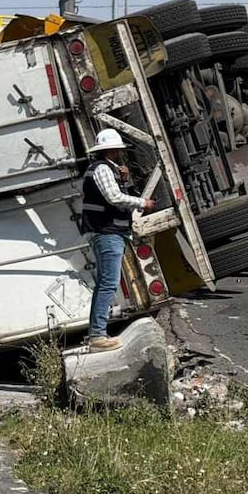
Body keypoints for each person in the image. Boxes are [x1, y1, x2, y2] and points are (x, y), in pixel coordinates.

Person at [81, 128, 155, 352]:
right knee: (108, 283)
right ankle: (97, 336)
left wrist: (122, 179)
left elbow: (113, 192)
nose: (121, 153)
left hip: (109, 232)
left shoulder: (106, 170)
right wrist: (143, 203)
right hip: (107, 232)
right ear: (111, 150)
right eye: (118, 149)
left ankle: (97, 333)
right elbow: (113, 198)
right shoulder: (102, 168)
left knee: (105, 283)